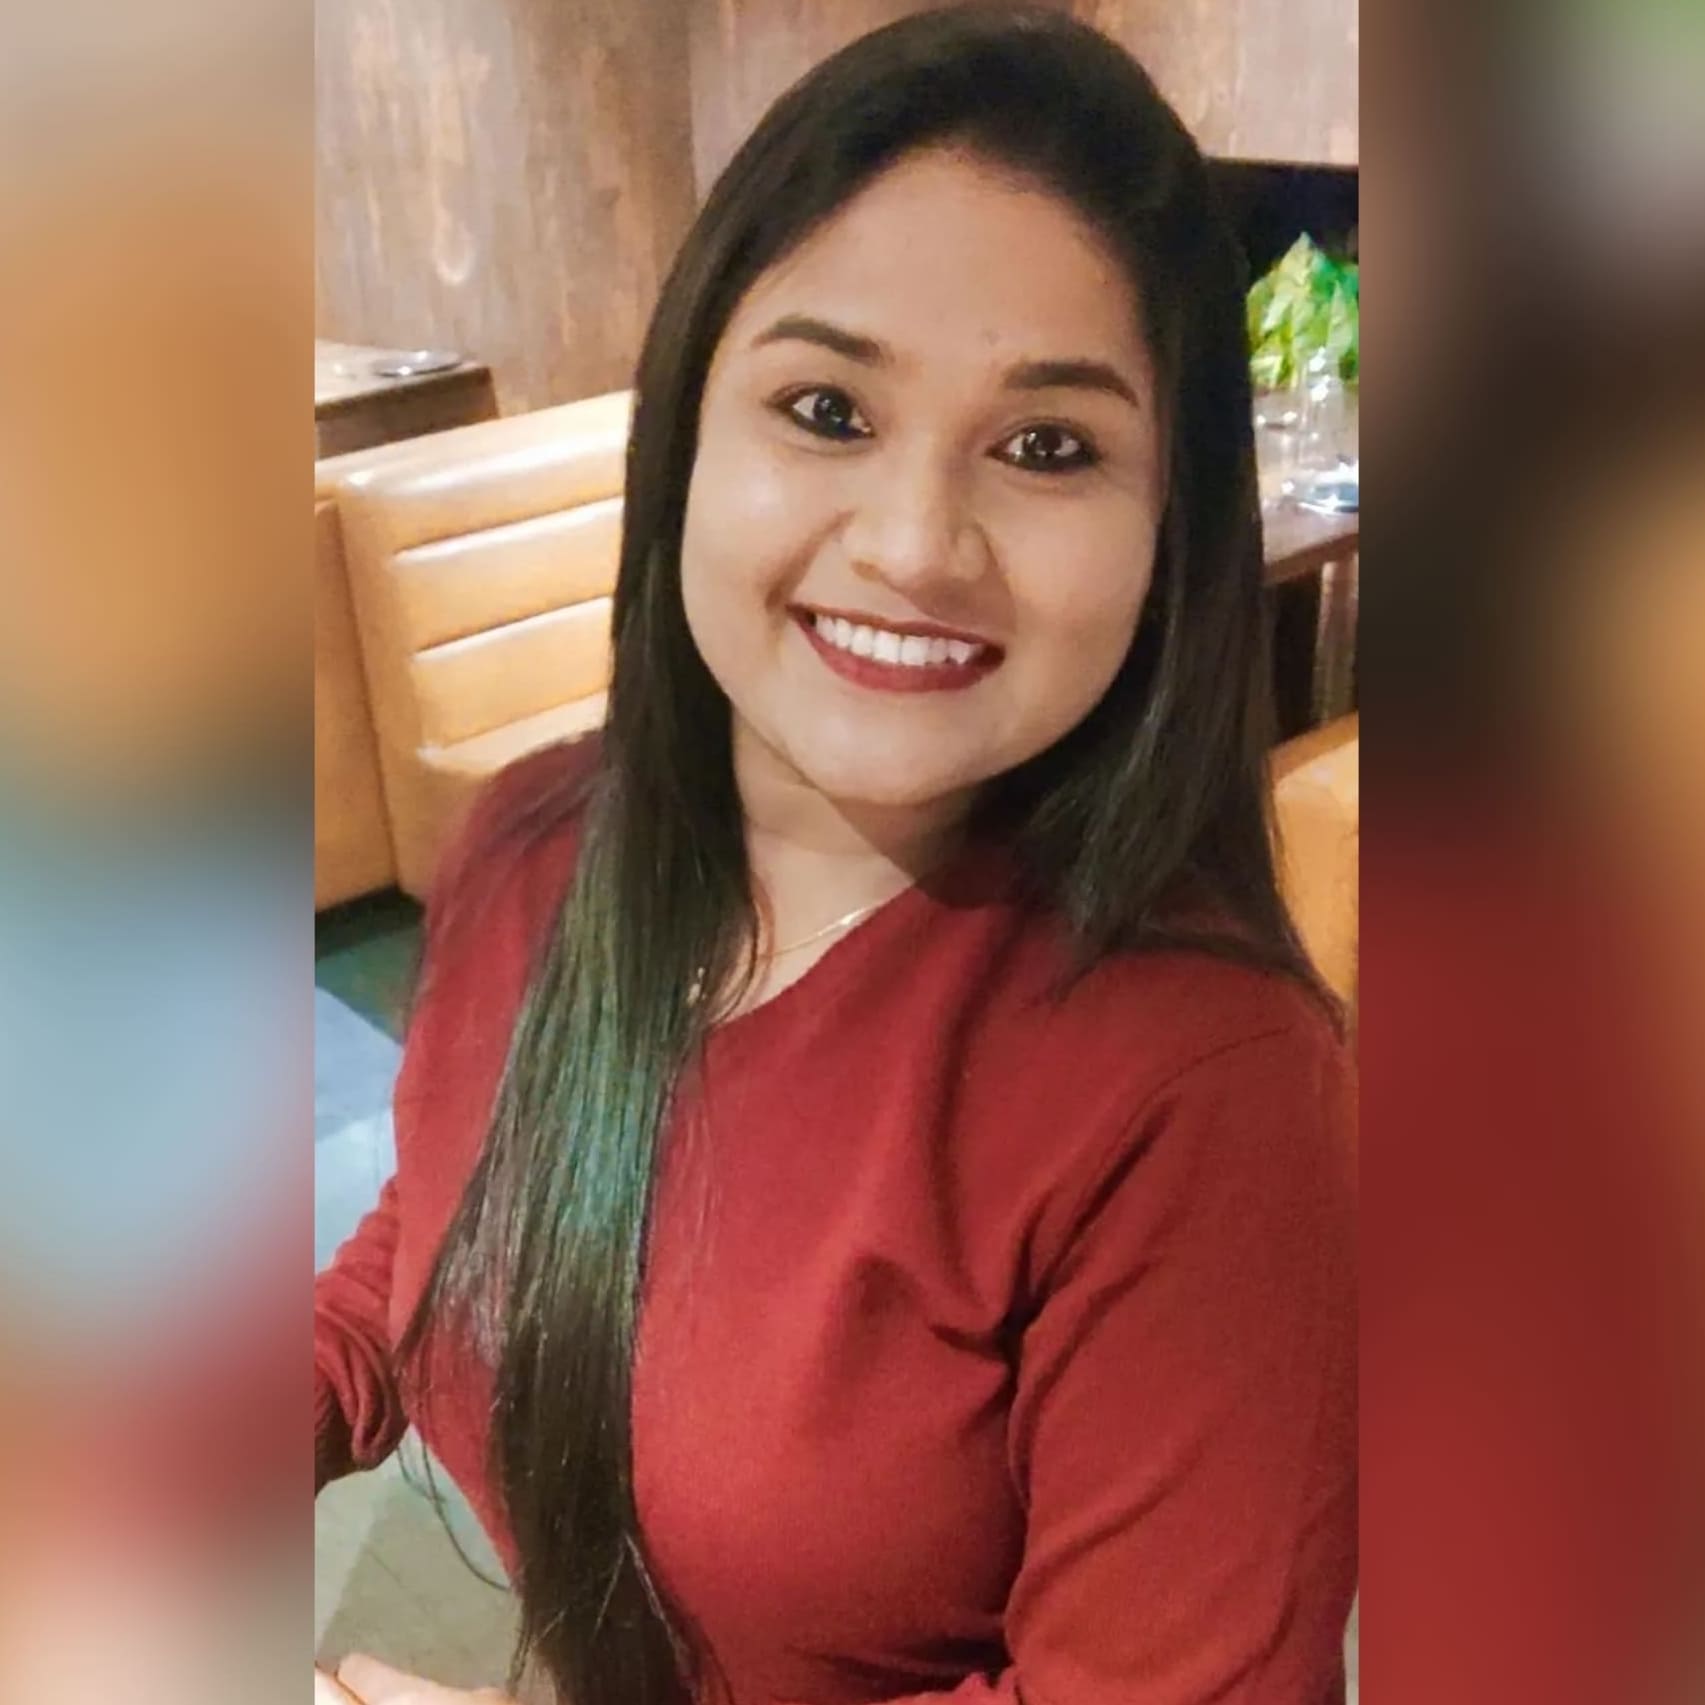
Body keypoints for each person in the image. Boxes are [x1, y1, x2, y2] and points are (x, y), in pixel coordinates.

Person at [313, 7, 1357, 1702]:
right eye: (825, 407)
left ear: (1168, 527)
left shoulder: (1204, 1088)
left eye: (1047, 446)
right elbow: (449, 1213)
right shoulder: (528, 844)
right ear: (685, 436)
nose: (914, 542)